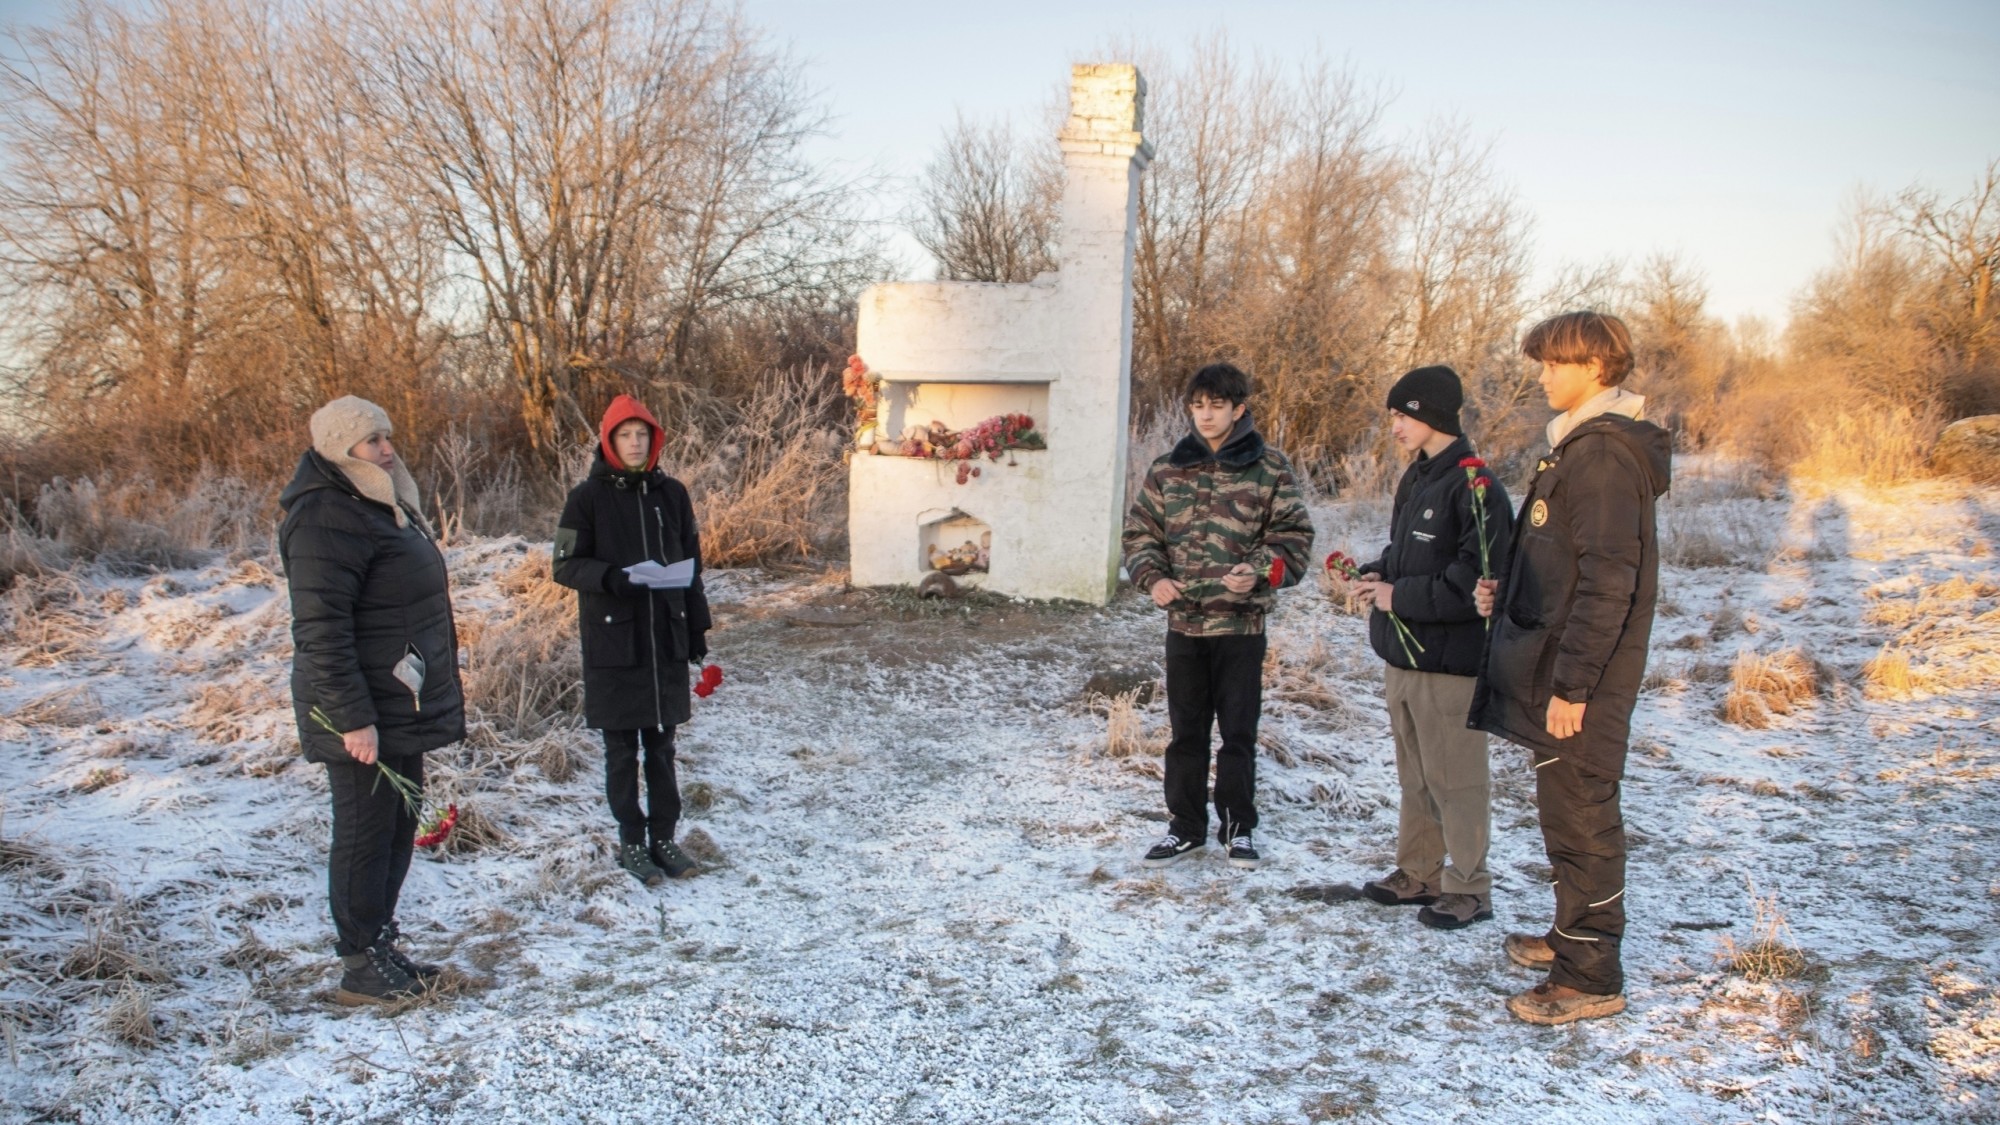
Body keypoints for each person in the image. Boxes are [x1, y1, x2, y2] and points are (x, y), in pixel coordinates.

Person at [1470, 312, 1671, 1025]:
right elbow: (1564, 564)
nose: (1542, 375)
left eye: (1554, 363)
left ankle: (1590, 973)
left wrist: (1574, 684)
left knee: (1583, 815)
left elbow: (1608, 581)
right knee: (1564, 809)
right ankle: (1571, 936)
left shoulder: (1607, 455)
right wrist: (1508, 591)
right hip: (1563, 666)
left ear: (1594, 365)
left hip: (1585, 678)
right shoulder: (1580, 447)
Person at [280, 395, 466, 1006]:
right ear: (339, 449)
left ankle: (382, 945)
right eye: (371, 442)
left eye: (387, 438)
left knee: (396, 823)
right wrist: (353, 719)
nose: (386, 450)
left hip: (397, 699)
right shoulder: (323, 517)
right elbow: (321, 629)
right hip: (361, 708)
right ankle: (360, 962)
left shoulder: (378, 503)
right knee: (364, 830)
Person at [1333, 366, 1512, 930]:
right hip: (1402, 657)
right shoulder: (1417, 479)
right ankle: (1419, 873)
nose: (1394, 426)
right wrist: (1373, 574)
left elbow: (1475, 581)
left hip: (1450, 665)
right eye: (1392, 415)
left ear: (1432, 415)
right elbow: (1406, 555)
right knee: (1415, 776)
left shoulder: (1476, 485)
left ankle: (1469, 887)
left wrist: (1395, 594)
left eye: (1401, 415)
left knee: (1456, 779)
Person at [1123, 362, 1315, 870]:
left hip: (1240, 627)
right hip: (1184, 626)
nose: (1205, 415)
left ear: (1238, 409)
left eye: (1216, 405)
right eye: (1198, 405)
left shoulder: (1269, 468)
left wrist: (1258, 571)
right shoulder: (1167, 469)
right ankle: (1185, 827)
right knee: (1186, 733)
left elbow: (1295, 540)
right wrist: (1153, 578)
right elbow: (1139, 535)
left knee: (1238, 734)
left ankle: (1238, 830)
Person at [553, 394, 712, 887]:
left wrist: (696, 628)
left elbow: (692, 567)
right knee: (621, 750)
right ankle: (631, 840)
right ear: (609, 441)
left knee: (662, 747)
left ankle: (664, 838)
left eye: (643, 434)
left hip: (664, 637)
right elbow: (564, 565)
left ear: (655, 439)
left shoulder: (673, 494)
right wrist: (615, 579)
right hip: (614, 644)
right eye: (626, 435)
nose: (636, 443)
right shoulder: (586, 498)